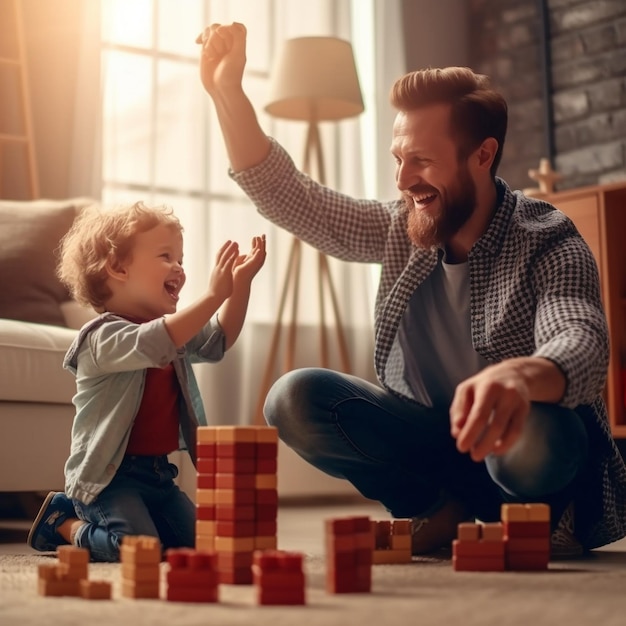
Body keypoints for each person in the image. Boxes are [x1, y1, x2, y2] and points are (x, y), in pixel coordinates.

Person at [197, 22, 626, 558]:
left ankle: (541, 523)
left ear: (483, 155)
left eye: (421, 160)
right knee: (295, 398)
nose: (403, 180)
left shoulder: (547, 237)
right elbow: (292, 197)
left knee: (539, 436)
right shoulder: (400, 227)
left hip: (520, 450)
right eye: (399, 159)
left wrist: (519, 376)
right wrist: (226, 93)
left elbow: (581, 337)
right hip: (436, 446)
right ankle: (435, 510)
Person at [27, 201, 266, 562]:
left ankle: (140, 521)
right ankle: (64, 523)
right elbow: (154, 343)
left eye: (181, 260)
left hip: (158, 476)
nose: (179, 268)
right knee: (139, 551)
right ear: (117, 267)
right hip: (108, 481)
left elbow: (217, 341)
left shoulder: (172, 333)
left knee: (205, 548)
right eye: (166, 256)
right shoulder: (101, 338)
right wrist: (214, 294)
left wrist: (240, 286)